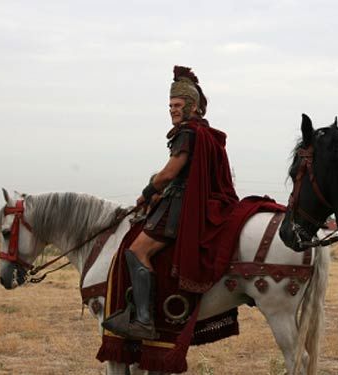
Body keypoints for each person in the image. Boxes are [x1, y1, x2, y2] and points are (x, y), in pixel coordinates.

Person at [102, 66, 238, 340]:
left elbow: (170, 172)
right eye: (170, 105)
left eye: (177, 105)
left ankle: (143, 320)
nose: (173, 110)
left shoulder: (187, 132)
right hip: (187, 201)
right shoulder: (205, 133)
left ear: (193, 107)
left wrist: (147, 190)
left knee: (136, 250)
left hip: (180, 206)